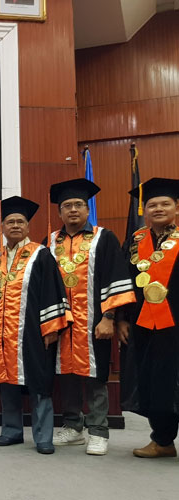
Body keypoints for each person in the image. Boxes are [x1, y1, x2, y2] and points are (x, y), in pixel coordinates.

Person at [46, 179, 135, 455]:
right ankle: (73, 427)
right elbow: (45, 284)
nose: (72, 210)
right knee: (67, 374)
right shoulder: (49, 242)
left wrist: (109, 316)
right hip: (62, 322)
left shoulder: (103, 237)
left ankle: (98, 430)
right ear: (60, 212)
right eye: (67, 206)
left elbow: (115, 278)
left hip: (94, 321)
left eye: (78, 205)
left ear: (87, 209)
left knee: (95, 376)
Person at [0, 196, 70, 455]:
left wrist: (51, 327)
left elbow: (53, 292)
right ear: (2, 227)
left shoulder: (40, 254)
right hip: (2, 332)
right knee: (7, 380)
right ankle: (11, 431)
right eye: (10, 221)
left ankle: (43, 437)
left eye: (21, 221)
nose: (16, 225)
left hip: (32, 331)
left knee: (39, 382)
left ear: (29, 227)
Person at [118, 178, 179, 459]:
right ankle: (163, 440)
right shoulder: (135, 240)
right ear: (144, 210)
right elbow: (122, 283)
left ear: (176, 207)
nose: (158, 208)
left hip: (176, 324)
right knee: (155, 382)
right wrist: (121, 319)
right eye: (152, 204)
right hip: (145, 327)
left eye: (165, 203)